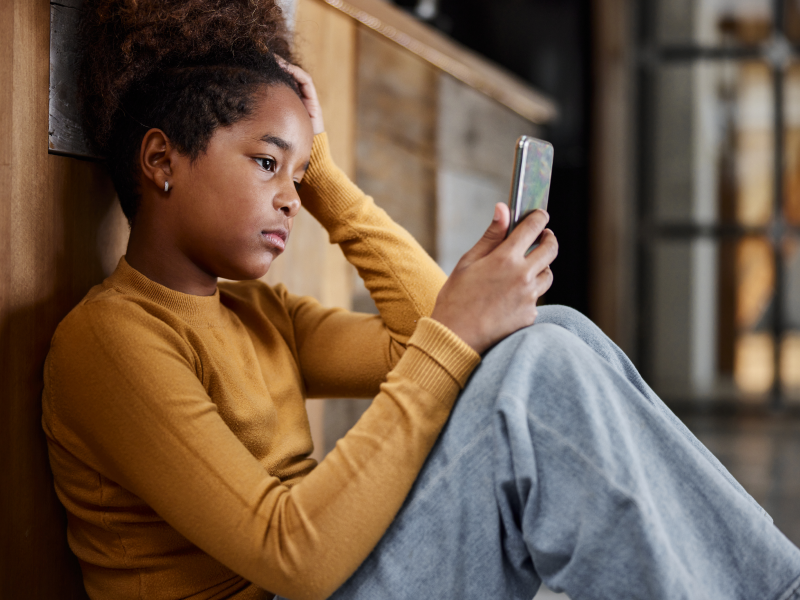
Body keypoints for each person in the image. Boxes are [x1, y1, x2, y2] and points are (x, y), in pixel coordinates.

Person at [41, 1, 800, 599]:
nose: (291, 199)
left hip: (334, 579)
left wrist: (332, 183)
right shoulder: (110, 339)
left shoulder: (259, 314)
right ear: (160, 161)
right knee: (532, 371)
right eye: (269, 164)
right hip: (300, 583)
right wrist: (458, 328)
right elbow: (292, 557)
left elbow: (443, 338)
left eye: (299, 178)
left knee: (544, 333)